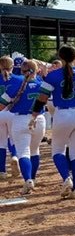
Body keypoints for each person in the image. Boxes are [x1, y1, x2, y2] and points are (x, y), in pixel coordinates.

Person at [30, 45, 75, 200]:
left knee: (58, 150)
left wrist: (34, 115)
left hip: (63, 113)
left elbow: (42, 98)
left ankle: (66, 178)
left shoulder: (52, 75)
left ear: (60, 57)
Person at [0, 60, 45, 194]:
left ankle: (28, 180)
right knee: (35, 150)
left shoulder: (18, 83)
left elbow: (2, 105)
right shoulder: (42, 83)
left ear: (21, 70)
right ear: (36, 70)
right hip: (39, 119)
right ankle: (33, 178)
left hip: (20, 119)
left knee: (23, 152)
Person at [0, 56, 22, 180]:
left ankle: (2, 171)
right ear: (13, 66)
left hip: (0, 112)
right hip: (13, 112)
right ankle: (14, 156)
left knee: (1, 143)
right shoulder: (20, 79)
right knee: (14, 140)